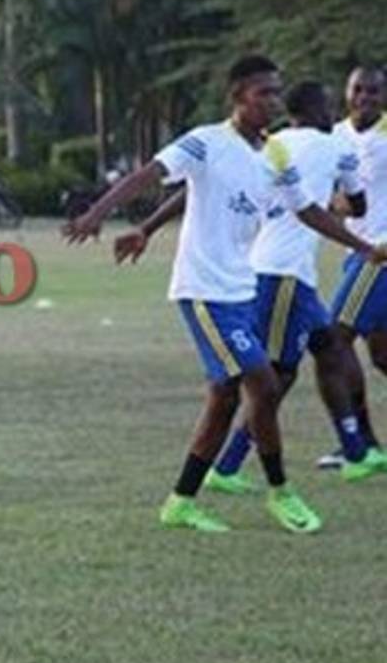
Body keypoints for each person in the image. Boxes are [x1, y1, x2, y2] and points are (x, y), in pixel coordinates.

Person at [65, 55, 387, 535]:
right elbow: (149, 176)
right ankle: (281, 491)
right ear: (238, 97)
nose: (274, 102)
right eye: (264, 93)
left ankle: (182, 500)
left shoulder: (274, 153)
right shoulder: (205, 141)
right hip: (203, 289)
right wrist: (101, 213)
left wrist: (364, 247)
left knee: (224, 396)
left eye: (278, 93)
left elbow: (309, 212)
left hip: (241, 288)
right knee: (262, 382)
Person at [323, 66, 387, 469]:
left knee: (335, 337)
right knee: (382, 356)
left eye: (375, 91)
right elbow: (330, 193)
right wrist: (339, 204)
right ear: (346, 93)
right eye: (358, 89)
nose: (365, 97)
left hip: (379, 253)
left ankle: (361, 444)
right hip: (355, 252)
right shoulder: (336, 136)